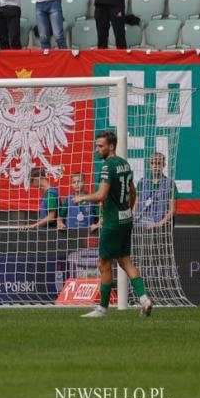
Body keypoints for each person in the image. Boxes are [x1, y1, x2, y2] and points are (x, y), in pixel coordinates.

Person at [73, 130, 153, 318]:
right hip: (126, 219)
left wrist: (82, 197)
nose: (97, 149)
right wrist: (129, 211)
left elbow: (101, 195)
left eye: (100, 146)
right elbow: (133, 193)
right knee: (125, 260)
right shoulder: (124, 164)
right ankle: (144, 299)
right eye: (96, 146)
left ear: (111, 146)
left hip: (112, 221)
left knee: (103, 264)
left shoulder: (107, 167)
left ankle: (102, 309)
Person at [134, 152, 177, 228]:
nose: (155, 166)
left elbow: (172, 210)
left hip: (161, 227)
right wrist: (132, 220)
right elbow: (135, 205)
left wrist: (159, 224)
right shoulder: (142, 182)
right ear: (150, 165)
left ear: (163, 165)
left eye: (158, 163)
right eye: (152, 163)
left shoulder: (170, 184)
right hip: (142, 226)